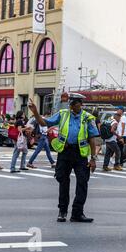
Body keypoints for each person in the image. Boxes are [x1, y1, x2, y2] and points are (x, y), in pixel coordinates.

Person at [28, 94, 99, 223]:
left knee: (82, 182)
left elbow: (92, 139)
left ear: (80, 104)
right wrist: (35, 112)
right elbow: (44, 122)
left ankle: (77, 213)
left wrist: (93, 159)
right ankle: (62, 211)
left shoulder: (88, 118)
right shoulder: (63, 114)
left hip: (80, 154)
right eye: (70, 103)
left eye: (74, 103)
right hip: (65, 152)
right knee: (63, 181)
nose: (71, 106)